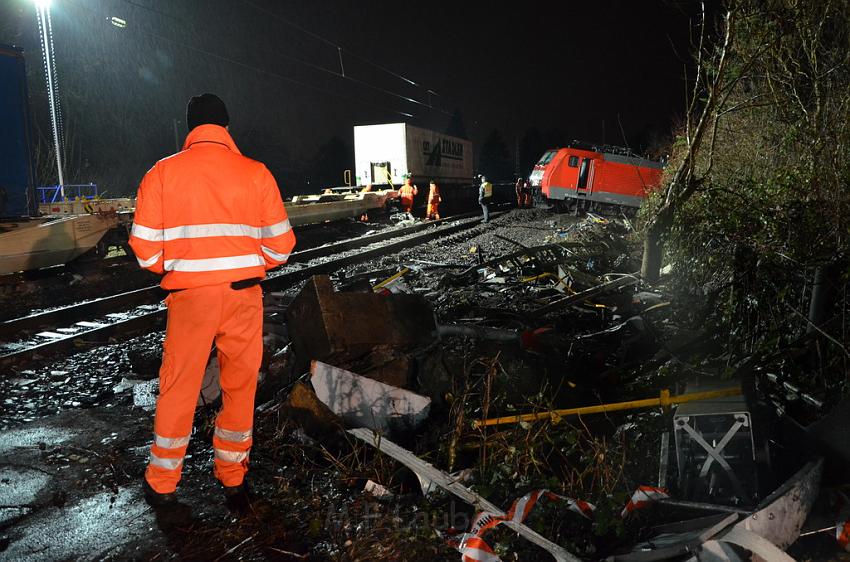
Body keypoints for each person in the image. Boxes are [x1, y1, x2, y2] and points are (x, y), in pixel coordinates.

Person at [128, 93, 296, 513]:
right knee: (239, 388)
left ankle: (163, 482)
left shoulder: (162, 174)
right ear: (226, 127)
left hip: (189, 299)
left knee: (179, 387)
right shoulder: (255, 173)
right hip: (243, 296)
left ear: (191, 128)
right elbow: (281, 245)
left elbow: (145, 251)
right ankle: (234, 478)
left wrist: (183, 265)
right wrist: (246, 261)